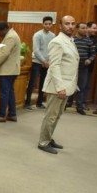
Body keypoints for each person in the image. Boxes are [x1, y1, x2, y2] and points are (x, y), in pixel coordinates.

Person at [37, 15, 79, 154]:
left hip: (66, 85)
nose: (70, 26)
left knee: (57, 115)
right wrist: (60, 87)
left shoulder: (70, 40)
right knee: (51, 116)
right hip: (57, 87)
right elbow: (54, 66)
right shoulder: (57, 42)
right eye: (67, 24)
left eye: (73, 23)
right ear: (60, 26)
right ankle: (43, 142)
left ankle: (48, 138)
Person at [25, 16, 55, 110]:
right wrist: (43, 61)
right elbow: (36, 50)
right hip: (37, 62)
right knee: (32, 82)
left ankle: (39, 102)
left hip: (47, 63)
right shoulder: (38, 35)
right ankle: (27, 102)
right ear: (42, 24)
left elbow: (52, 49)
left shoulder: (53, 35)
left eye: (49, 24)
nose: (48, 26)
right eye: (46, 24)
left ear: (52, 24)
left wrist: (48, 61)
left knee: (43, 83)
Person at [65, 22, 95, 115]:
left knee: (81, 87)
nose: (85, 30)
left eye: (86, 28)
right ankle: (67, 103)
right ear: (77, 29)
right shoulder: (72, 39)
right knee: (69, 85)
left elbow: (93, 53)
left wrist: (89, 60)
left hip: (83, 67)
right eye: (83, 28)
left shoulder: (89, 41)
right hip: (71, 66)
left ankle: (79, 106)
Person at [84, 21, 97, 109]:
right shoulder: (81, 36)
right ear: (88, 28)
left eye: (96, 28)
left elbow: (95, 49)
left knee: (86, 85)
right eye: (94, 28)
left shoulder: (96, 39)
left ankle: (83, 103)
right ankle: (69, 102)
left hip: (89, 65)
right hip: (78, 64)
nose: (96, 30)